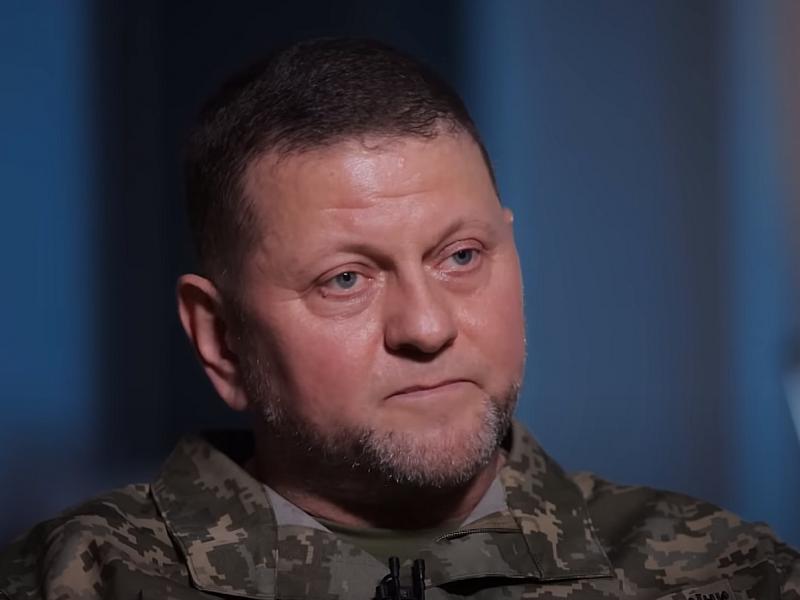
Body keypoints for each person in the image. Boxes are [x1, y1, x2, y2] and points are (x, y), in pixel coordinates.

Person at [1, 37, 798, 600]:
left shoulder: (725, 572)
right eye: (346, 279)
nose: (426, 326)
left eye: (461, 256)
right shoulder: (76, 581)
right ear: (221, 340)